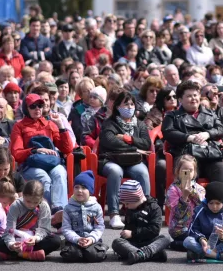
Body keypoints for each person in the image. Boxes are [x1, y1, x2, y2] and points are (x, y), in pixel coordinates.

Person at [98, 90, 152, 230]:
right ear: (117, 107)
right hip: (111, 159)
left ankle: (144, 211)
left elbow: (146, 143)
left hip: (133, 161)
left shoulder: (140, 124)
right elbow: (110, 141)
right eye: (125, 104)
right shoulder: (109, 123)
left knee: (142, 172)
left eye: (132, 104)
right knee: (115, 172)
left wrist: (127, 138)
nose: (129, 107)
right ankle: (114, 213)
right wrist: (134, 148)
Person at [9, 93, 73, 210]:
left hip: (51, 162)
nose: (37, 108)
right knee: (44, 178)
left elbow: (67, 148)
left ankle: (60, 211)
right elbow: (16, 153)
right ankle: (47, 211)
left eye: (40, 105)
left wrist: (61, 126)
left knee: (60, 173)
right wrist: (35, 150)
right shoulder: (19, 126)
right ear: (26, 109)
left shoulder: (50, 124)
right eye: (33, 106)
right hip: (30, 165)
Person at [162, 80, 223, 186]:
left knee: (219, 168)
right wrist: (189, 137)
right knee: (187, 168)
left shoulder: (210, 113)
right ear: (180, 99)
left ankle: (220, 201)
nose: (193, 99)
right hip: (186, 154)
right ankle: (185, 201)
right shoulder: (172, 116)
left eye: (195, 95)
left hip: (209, 153)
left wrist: (208, 134)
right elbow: (168, 132)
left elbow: (220, 129)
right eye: (189, 96)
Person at [0, 180, 62, 260]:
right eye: (28, 201)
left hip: (33, 240)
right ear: (23, 195)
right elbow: (9, 229)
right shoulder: (16, 206)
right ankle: (27, 254)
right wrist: (12, 244)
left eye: (35, 202)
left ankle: (12, 254)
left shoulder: (44, 206)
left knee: (56, 240)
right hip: (16, 238)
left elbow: (44, 229)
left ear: (41, 198)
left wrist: (35, 238)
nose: (31, 205)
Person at [111, 180, 172, 264]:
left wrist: (133, 233)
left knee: (166, 237)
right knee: (116, 242)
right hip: (133, 243)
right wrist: (125, 234)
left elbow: (154, 230)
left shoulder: (154, 208)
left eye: (127, 203)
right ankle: (148, 254)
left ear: (136, 198)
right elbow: (128, 228)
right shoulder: (130, 209)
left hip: (149, 242)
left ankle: (141, 254)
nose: (126, 206)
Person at [184, 181, 223, 262]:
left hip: (219, 245)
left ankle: (203, 254)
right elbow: (193, 229)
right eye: (211, 203)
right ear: (207, 201)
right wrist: (202, 240)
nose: (214, 207)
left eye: (218, 203)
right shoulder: (200, 209)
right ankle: (218, 256)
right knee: (187, 241)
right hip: (204, 244)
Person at [60, 170, 107, 262]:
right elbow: (66, 228)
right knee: (69, 255)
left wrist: (91, 238)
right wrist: (77, 239)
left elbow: (99, 227)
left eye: (84, 188)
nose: (79, 190)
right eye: (76, 187)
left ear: (90, 191)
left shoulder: (96, 207)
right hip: (74, 240)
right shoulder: (68, 208)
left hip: (92, 240)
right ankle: (77, 250)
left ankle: (98, 248)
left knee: (95, 255)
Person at [166, 154, 205, 248]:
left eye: (190, 170)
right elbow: (176, 213)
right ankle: (176, 244)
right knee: (192, 239)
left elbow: (203, 207)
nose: (187, 173)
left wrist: (193, 193)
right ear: (178, 171)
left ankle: (193, 247)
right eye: (184, 170)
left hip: (197, 227)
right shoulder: (173, 189)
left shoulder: (199, 189)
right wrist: (184, 196)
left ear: (195, 172)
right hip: (179, 229)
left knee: (204, 237)